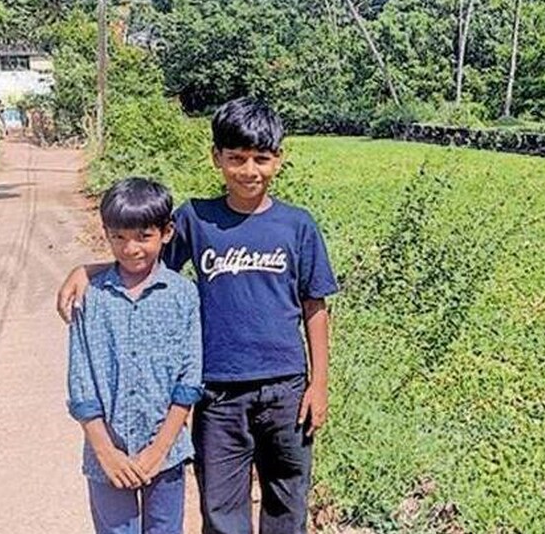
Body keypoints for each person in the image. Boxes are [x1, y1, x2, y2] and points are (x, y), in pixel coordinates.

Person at [58, 97, 338, 534]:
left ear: (278, 160)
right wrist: (88, 270)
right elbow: (142, 259)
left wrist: (318, 384)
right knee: (222, 510)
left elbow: (314, 307)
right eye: (236, 158)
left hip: (286, 389)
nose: (249, 170)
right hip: (218, 395)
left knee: (287, 502)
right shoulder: (195, 219)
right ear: (217, 159)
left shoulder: (297, 226)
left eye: (261, 159)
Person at [66, 177, 203, 534]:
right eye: (119, 237)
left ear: (167, 232)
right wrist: (106, 452)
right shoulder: (90, 297)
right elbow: (81, 384)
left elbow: (189, 381)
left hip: (166, 452)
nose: (131, 249)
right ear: (106, 233)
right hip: (106, 456)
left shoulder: (183, 295)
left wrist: (159, 450)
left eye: (144, 236)